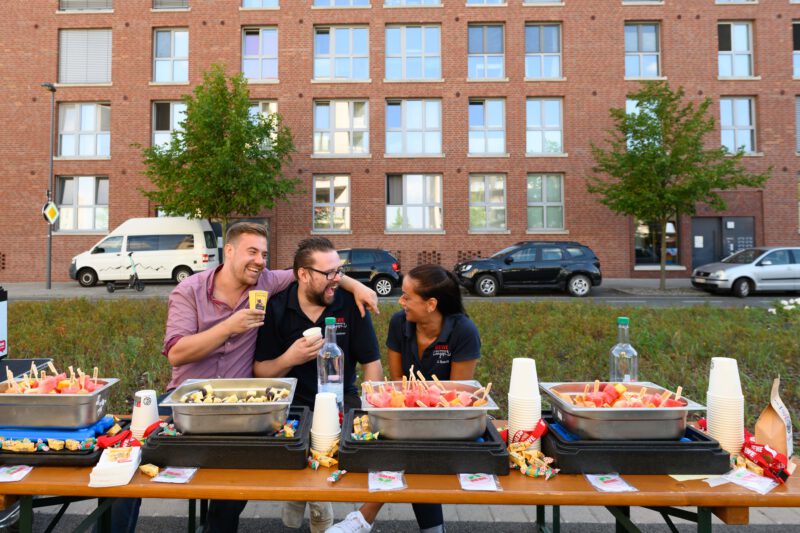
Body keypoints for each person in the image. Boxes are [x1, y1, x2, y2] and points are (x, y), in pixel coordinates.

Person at [108, 222, 379, 533]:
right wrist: (229, 327)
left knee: (237, 482)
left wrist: (355, 285)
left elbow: (316, 271)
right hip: (185, 405)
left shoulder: (265, 281)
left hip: (240, 408)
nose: (260, 261)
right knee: (128, 468)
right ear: (229, 251)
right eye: (252, 252)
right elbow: (176, 353)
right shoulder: (190, 291)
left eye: (264, 253)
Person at [327, 264, 481, 533]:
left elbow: (456, 398)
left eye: (408, 296)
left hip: (448, 420)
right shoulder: (400, 322)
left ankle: (364, 518)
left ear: (431, 304)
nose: (401, 301)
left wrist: (414, 415)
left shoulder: (464, 331)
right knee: (404, 441)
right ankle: (428, 528)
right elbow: (397, 385)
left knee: (410, 447)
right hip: (408, 415)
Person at [254, 237, 384, 533]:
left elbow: (372, 363)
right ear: (302, 274)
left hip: (341, 399)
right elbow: (261, 372)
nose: (336, 279)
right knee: (302, 438)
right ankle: (316, 506)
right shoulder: (277, 307)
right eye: (329, 274)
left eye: (339, 271)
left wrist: (371, 409)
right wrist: (291, 356)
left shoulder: (350, 303)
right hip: (293, 405)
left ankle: (307, 499)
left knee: (335, 442)